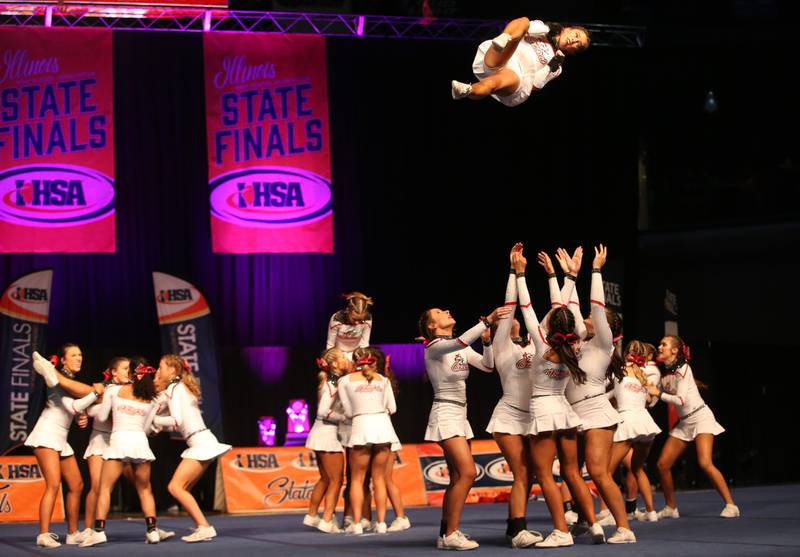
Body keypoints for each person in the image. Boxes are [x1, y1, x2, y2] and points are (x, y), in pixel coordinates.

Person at [516, 247, 595, 548]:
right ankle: (593, 525)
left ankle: (561, 531)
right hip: (565, 412)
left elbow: (525, 306)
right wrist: (564, 277)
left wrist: (520, 274)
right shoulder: (575, 346)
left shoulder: (540, 342)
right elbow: (561, 308)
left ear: (549, 325)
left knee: (545, 475)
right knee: (573, 472)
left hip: (545, 413)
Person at [419, 303, 508, 550]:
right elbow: (457, 343)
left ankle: (445, 533)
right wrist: (486, 321)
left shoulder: (461, 347)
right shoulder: (434, 347)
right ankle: (451, 534)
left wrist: (487, 341)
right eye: (438, 312)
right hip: (445, 413)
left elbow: (488, 366)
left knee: (458, 476)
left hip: (461, 414)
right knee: (468, 473)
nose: (446, 311)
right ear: (431, 326)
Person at [485, 244, 543, 547]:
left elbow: (535, 314)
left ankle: (512, 525)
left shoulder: (533, 346)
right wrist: (513, 271)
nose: (513, 320)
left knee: (529, 473)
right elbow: (511, 304)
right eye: (506, 321)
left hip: (532, 416)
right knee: (522, 472)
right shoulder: (502, 346)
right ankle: (519, 532)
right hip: (508, 416)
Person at [646, 336, 740, 519]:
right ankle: (671, 507)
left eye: (663, 344)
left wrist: (658, 393)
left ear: (674, 350)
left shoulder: (683, 368)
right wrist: (645, 394)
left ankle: (731, 505)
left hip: (700, 418)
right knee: (663, 464)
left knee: (705, 462)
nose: (659, 346)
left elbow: (679, 400)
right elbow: (655, 400)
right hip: (684, 423)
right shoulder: (664, 375)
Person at [78, 363, 163, 547]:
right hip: (140, 442)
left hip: (119, 441)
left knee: (105, 488)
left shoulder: (114, 391)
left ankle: (99, 531)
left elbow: (101, 417)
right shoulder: (153, 399)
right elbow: (147, 428)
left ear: (132, 373)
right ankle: (153, 531)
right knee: (145, 489)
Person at [151, 355, 232, 542]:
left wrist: (153, 421)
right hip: (202, 440)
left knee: (175, 487)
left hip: (201, 443)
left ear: (172, 371)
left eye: (160, 366)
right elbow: (166, 416)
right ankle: (201, 524)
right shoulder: (179, 387)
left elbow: (175, 421)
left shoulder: (174, 388)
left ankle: (205, 527)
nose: (158, 370)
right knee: (183, 488)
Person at [26, 346, 99, 548]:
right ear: (63, 360)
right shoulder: (59, 378)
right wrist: (95, 393)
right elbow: (72, 401)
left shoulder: (67, 381)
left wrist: (81, 416)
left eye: (81, 354)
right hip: (47, 432)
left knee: (76, 485)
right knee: (53, 484)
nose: (79, 358)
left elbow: (71, 406)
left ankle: (73, 533)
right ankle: (43, 534)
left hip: (61, 437)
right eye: (74, 355)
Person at [452, 17, 590, 106]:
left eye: (578, 45)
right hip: (504, 52)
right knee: (524, 21)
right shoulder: (543, 30)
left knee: (491, 84)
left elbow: (536, 84)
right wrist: (549, 29)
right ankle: (504, 38)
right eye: (576, 35)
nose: (575, 40)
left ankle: (466, 90)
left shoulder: (558, 66)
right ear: (567, 28)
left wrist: (551, 65)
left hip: (516, 72)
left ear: (573, 52)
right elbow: (526, 27)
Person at [336, 347, 399, 534]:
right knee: (379, 479)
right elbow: (392, 408)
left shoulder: (344, 380)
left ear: (354, 361)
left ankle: (356, 524)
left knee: (357, 479)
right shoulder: (384, 380)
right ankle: (381, 524)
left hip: (361, 426)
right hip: (382, 428)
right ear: (372, 360)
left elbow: (347, 411)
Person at [603, 341, 662, 523]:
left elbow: (602, 388)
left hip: (628, 422)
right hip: (645, 424)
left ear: (627, 353)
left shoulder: (617, 370)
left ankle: (613, 515)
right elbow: (651, 398)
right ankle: (651, 512)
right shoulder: (642, 374)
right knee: (636, 468)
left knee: (605, 472)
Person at [303, 348, 350, 533]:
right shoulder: (333, 383)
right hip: (327, 434)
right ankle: (327, 519)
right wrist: (344, 417)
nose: (348, 361)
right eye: (344, 359)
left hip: (322, 432)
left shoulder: (333, 381)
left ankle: (312, 515)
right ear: (336, 364)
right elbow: (323, 411)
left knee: (325, 478)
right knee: (336, 480)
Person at [326, 292, 373, 359]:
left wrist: (363, 359)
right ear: (348, 310)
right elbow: (330, 345)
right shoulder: (337, 319)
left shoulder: (367, 318)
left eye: (360, 320)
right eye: (354, 319)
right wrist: (331, 361)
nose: (357, 323)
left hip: (356, 354)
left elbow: (364, 344)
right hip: (339, 355)